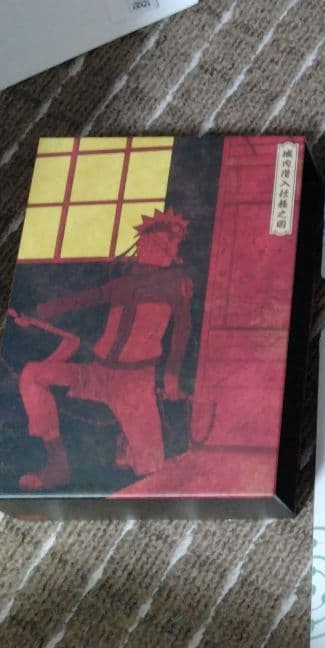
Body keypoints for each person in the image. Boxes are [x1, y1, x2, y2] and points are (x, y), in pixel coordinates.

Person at [9, 208, 192, 491]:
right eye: (162, 242)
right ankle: (58, 464)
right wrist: (34, 313)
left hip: (135, 385)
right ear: (144, 243)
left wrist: (171, 378)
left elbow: (182, 331)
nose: (170, 248)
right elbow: (81, 300)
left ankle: (129, 445)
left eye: (173, 243)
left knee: (153, 470)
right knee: (33, 374)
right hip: (96, 372)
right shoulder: (122, 284)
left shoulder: (176, 284)